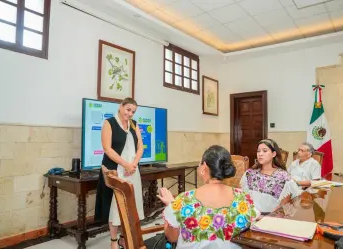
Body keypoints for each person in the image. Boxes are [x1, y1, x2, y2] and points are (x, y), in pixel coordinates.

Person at [157, 145, 260, 249]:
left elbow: (172, 237)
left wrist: (172, 205)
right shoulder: (243, 198)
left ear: (204, 166)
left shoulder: (185, 199)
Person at [94, 97, 145, 249]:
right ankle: (114, 241)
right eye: (128, 109)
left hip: (132, 172)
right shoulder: (109, 123)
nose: (130, 114)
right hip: (116, 171)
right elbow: (107, 149)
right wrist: (126, 165)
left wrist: (133, 165)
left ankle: (124, 237)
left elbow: (140, 148)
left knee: (130, 206)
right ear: (120, 107)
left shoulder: (135, 125)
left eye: (133, 112)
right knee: (115, 207)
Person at [240, 139, 301, 214]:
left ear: (273, 154)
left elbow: (283, 205)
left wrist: (267, 217)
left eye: (265, 151)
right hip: (250, 215)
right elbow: (243, 197)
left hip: (272, 218)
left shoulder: (283, 176)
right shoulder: (250, 173)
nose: (260, 154)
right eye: (258, 151)